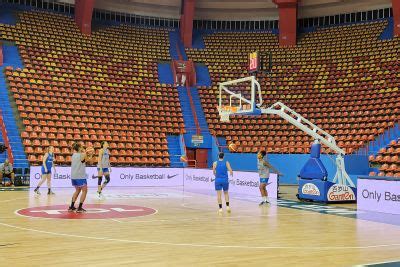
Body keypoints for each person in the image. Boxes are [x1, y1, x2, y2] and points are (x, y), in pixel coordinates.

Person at [68, 142, 93, 213]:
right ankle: (79, 208)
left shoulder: (73, 155)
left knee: (77, 190)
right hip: (80, 176)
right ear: (79, 148)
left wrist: (89, 155)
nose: (82, 147)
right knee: (85, 191)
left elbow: (85, 160)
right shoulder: (81, 154)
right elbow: (89, 162)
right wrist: (88, 153)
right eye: (81, 147)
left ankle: (71, 207)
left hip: (73, 176)